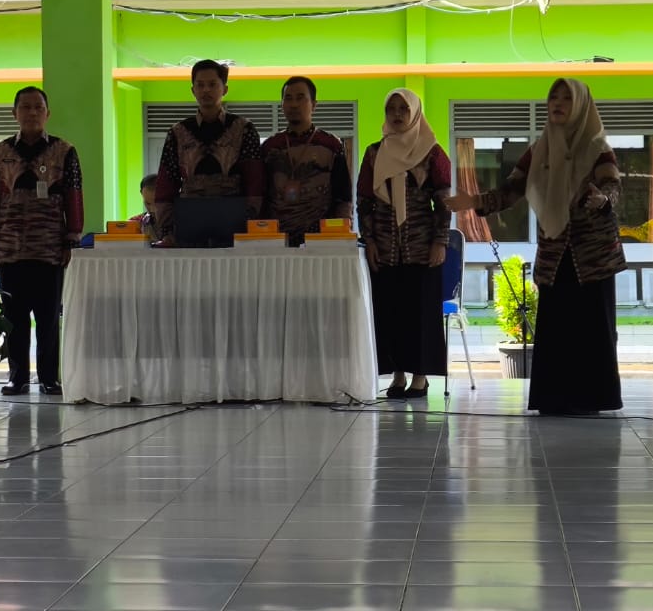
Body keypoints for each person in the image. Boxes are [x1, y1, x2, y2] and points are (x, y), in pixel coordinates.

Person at [447, 78, 626, 415]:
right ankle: (553, 399)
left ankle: (593, 399)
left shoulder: (597, 148)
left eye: (566, 98)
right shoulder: (539, 150)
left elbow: (613, 187)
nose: (557, 103)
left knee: (592, 328)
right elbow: (512, 189)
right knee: (556, 327)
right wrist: (475, 201)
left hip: (594, 256)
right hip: (555, 253)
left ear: (581, 105)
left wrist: (602, 200)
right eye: (553, 97)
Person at [0, 86, 83, 397]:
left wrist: (71, 240)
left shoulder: (65, 151)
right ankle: (18, 377)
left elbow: (74, 198)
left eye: (38, 107)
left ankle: (49, 378)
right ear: (15, 113)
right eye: (25, 107)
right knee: (14, 318)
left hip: (49, 248)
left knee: (48, 318)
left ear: (48, 113)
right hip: (10, 249)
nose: (32, 112)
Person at [357, 88, 451, 400]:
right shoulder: (374, 153)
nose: (397, 114)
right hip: (385, 249)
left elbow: (444, 201)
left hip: (422, 248)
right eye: (391, 109)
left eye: (403, 109)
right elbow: (364, 201)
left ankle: (420, 378)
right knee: (391, 313)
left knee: (420, 315)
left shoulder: (432, 153)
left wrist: (440, 241)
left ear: (415, 113)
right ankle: (398, 375)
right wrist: (369, 241)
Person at [152, 60, 264, 244]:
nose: (206, 90)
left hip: (235, 218)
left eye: (212, 84)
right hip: (189, 217)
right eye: (200, 85)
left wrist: (252, 225)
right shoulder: (178, 132)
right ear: (193, 90)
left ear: (224, 89)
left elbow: (255, 182)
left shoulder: (244, 129)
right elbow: (166, 183)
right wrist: (167, 230)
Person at [261, 76, 352, 244]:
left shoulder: (332, 145)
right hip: (277, 240)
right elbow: (261, 196)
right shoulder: (270, 147)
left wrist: (342, 236)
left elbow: (343, 197)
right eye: (288, 98)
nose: (294, 104)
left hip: (321, 239)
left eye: (300, 98)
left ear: (314, 105)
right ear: (282, 105)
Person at [130, 174, 160, 241]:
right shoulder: (135, 223)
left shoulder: (179, 224)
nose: (152, 210)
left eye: (157, 204)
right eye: (148, 203)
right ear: (141, 194)